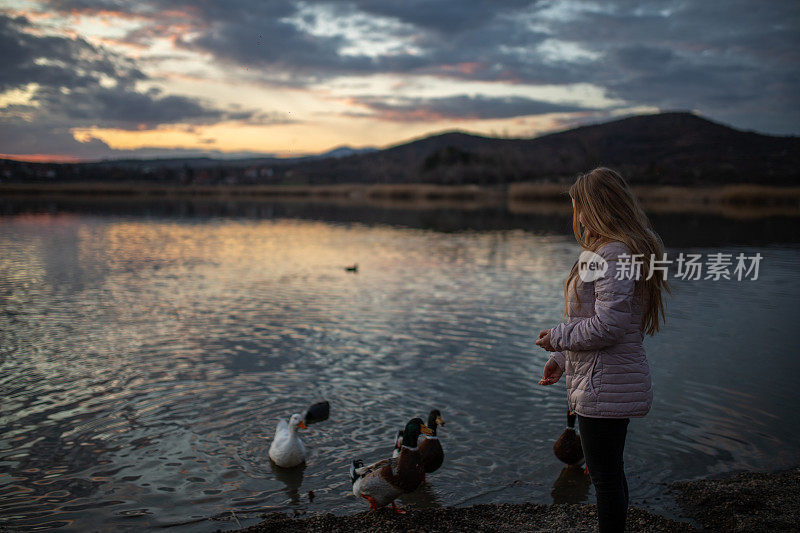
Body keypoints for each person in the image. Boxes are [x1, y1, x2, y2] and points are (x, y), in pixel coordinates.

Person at [536, 167, 669, 533]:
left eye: (578, 206)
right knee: (610, 472)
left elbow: (608, 327)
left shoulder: (613, 254)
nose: (576, 215)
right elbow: (590, 317)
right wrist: (560, 358)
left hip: (604, 382)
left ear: (594, 208)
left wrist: (558, 338)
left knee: (605, 479)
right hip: (601, 378)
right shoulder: (616, 251)